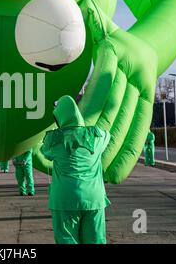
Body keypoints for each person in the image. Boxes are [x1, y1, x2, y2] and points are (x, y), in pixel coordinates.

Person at [40, 95, 111, 244]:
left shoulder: (53, 139)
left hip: (64, 199)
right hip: (93, 199)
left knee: (66, 239)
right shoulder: (96, 135)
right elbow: (108, 135)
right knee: (95, 240)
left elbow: (44, 152)